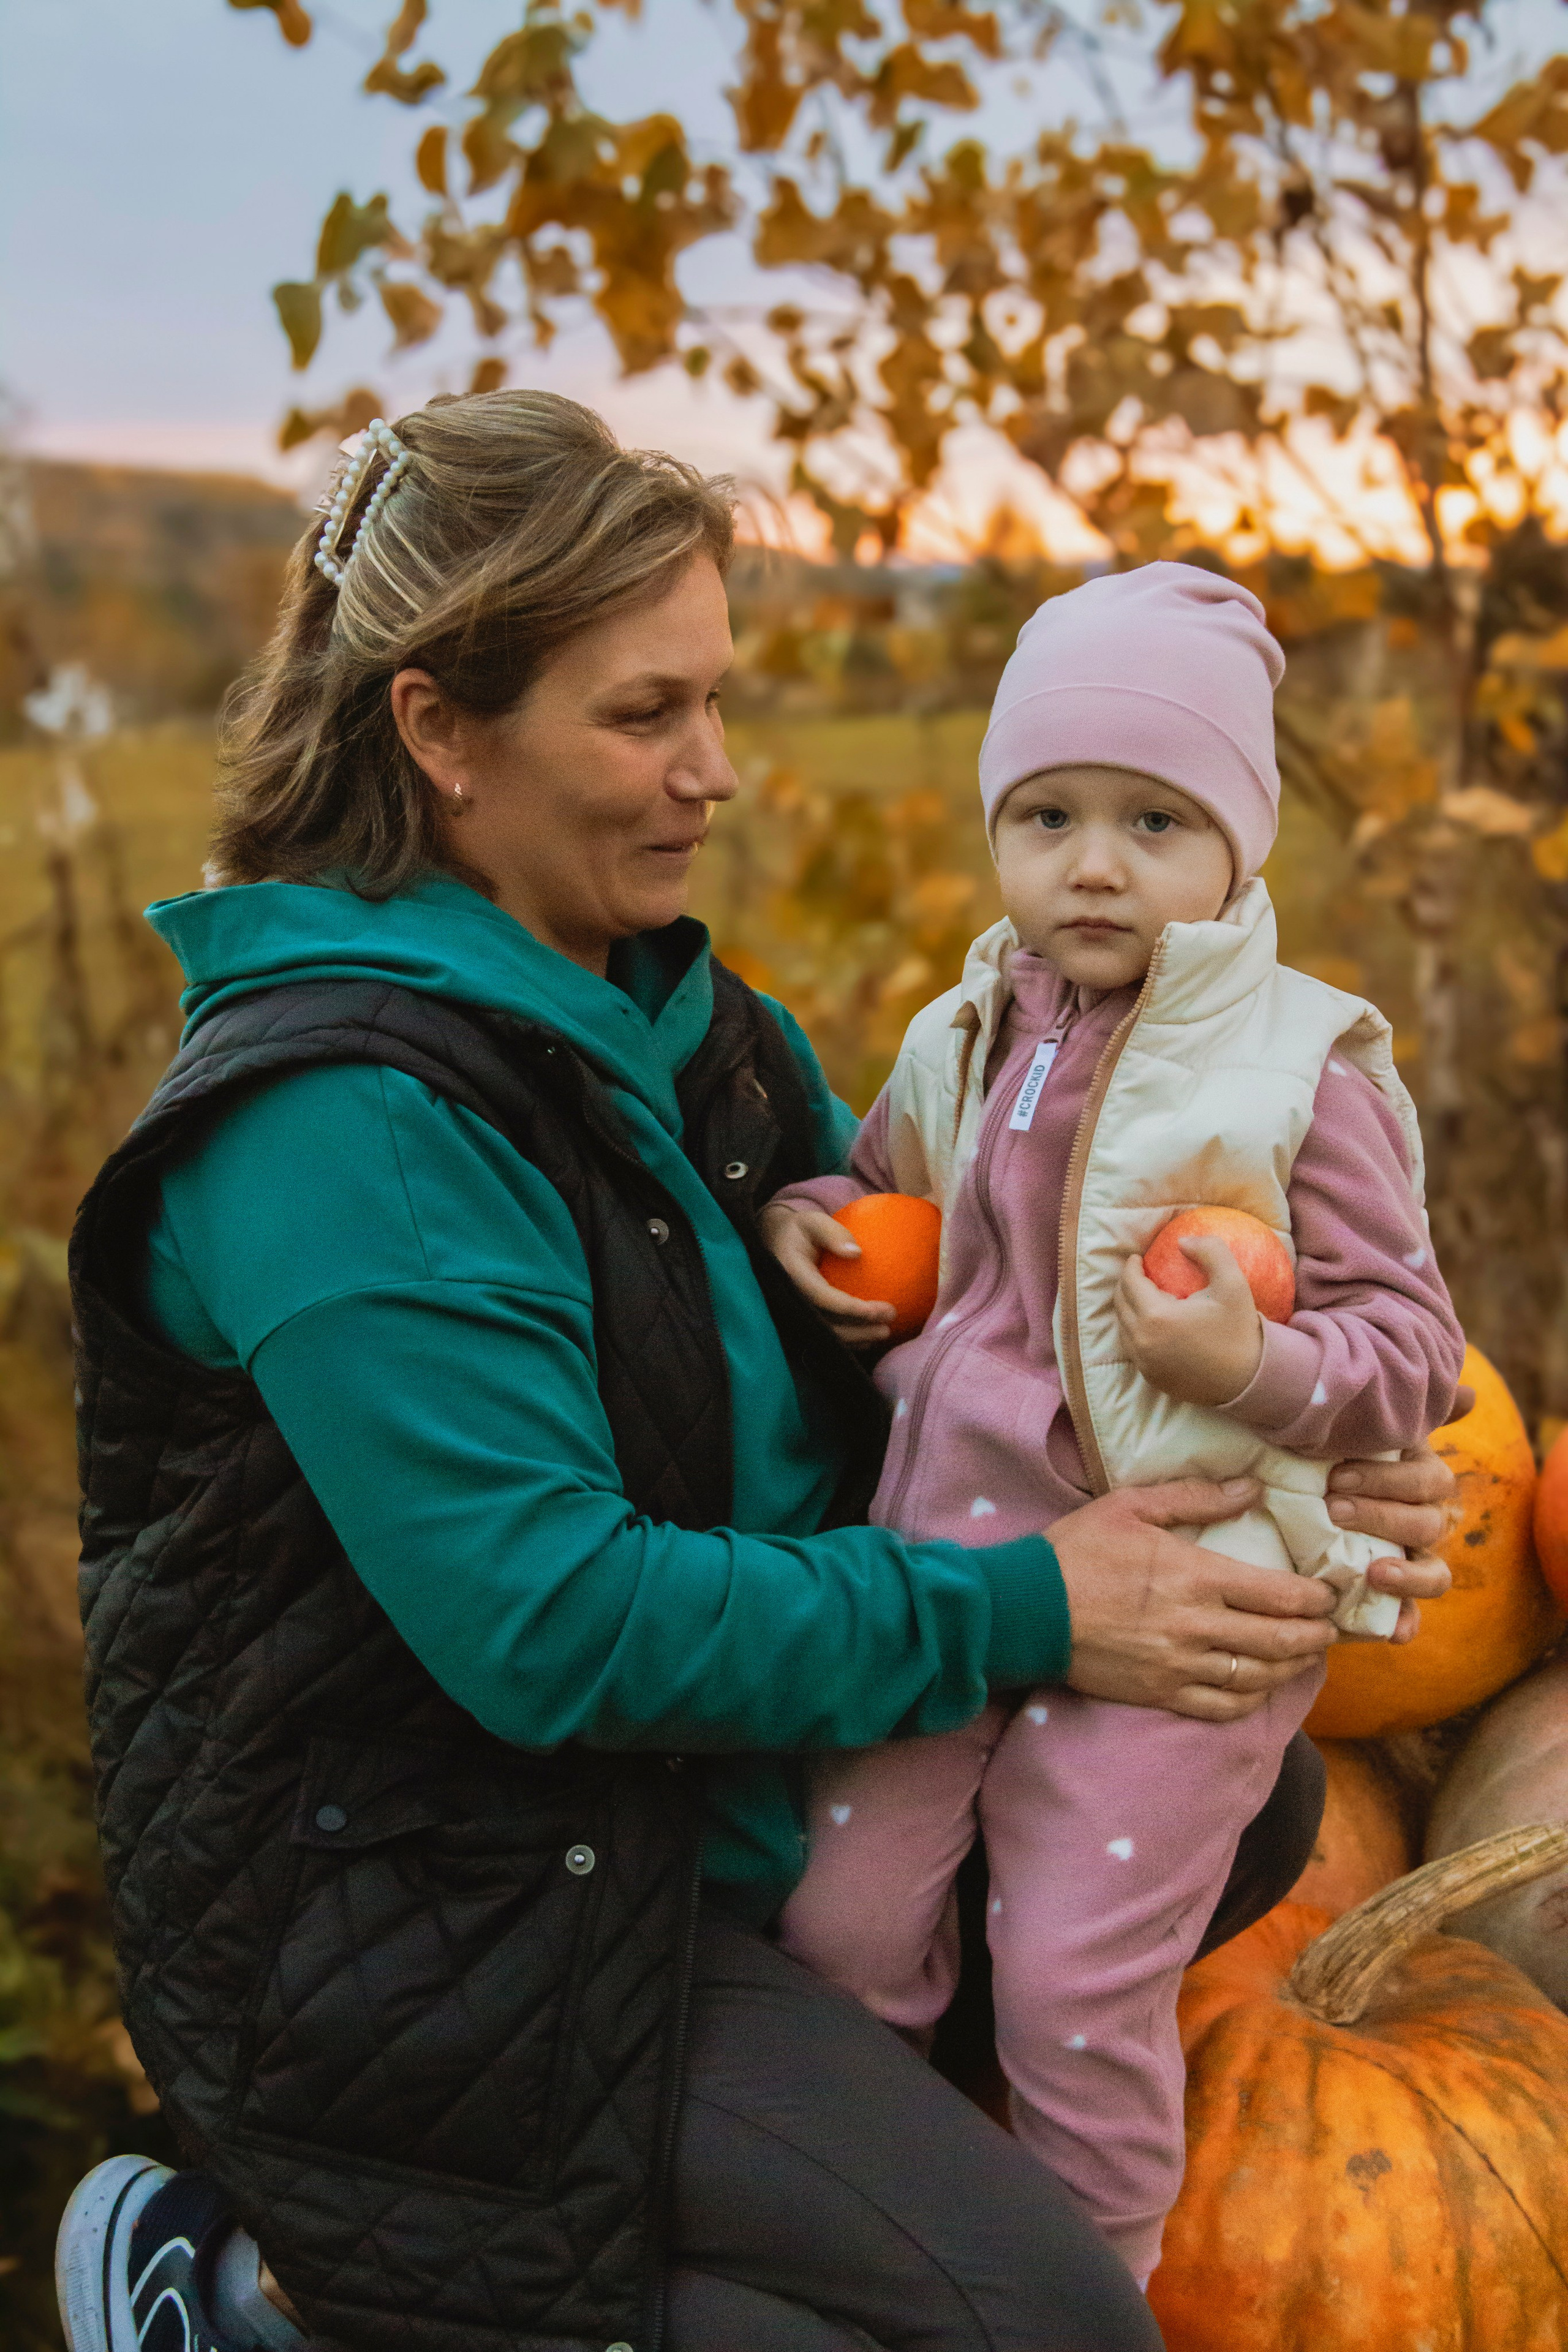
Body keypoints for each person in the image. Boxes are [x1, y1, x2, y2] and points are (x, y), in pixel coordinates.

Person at [53, 397, 1457, 2352]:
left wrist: (1305, 1434)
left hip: (680, 1798)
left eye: (714, 699)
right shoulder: (342, 1132)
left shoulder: (681, 1025)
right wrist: (1035, 1605)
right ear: (439, 729)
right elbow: (553, 1623)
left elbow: (962, 1344)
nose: (714, 770)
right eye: (647, 716)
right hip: (450, 1913)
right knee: (1046, 2326)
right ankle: (265, 2305)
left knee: (1254, 1807)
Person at [761, 563, 1466, 2290]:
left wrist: (1250, 1363)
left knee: (1077, 1981)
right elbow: (886, 1185)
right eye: (1049, 815)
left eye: (1155, 820)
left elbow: (1413, 1353)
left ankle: (1086, 2293)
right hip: (951, 1568)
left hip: (1186, 1596)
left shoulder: (1299, 1075)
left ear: (1239, 847)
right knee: (838, 1930)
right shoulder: (967, 1031)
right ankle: (893, 2248)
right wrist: (815, 1220)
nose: (1094, 864)